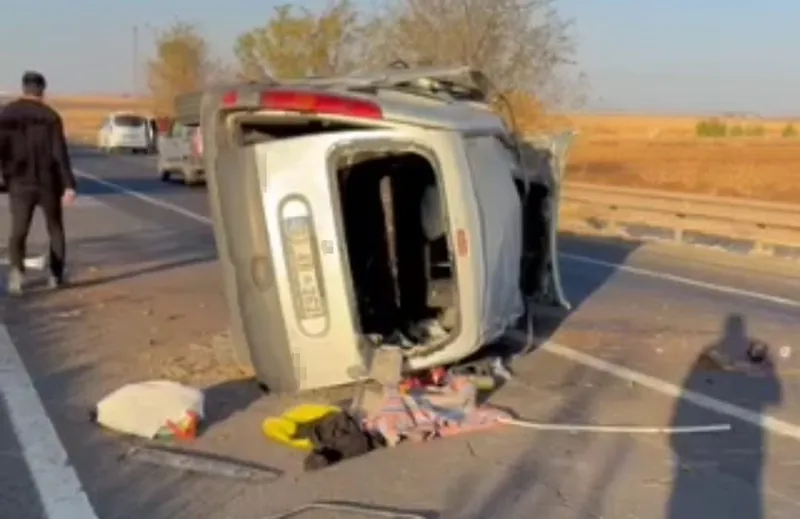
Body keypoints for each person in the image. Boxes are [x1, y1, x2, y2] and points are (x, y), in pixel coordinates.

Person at [0, 71, 76, 295]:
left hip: (19, 182)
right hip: (48, 182)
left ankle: (16, 274)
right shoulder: (51, 117)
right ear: (42, 90)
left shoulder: (7, 114)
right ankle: (55, 275)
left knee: (18, 230)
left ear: (23, 88)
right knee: (55, 228)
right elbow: (59, 153)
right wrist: (69, 185)